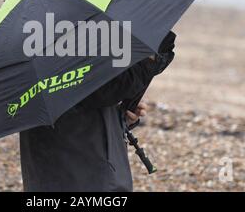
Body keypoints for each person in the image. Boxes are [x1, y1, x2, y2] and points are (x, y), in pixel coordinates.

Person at [20, 31, 176, 192]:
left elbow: (93, 91)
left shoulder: (32, 32)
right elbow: (103, 88)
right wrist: (149, 58)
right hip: (84, 168)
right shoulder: (68, 29)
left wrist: (120, 117)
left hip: (51, 169)